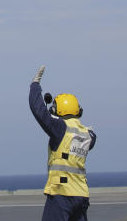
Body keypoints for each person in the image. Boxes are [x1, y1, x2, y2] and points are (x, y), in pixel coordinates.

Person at [28, 65, 96, 221]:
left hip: (62, 193)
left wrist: (35, 85)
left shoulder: (60, 128)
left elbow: (38, 109)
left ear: (59, 110)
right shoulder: (88, 134)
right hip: (81, 195)